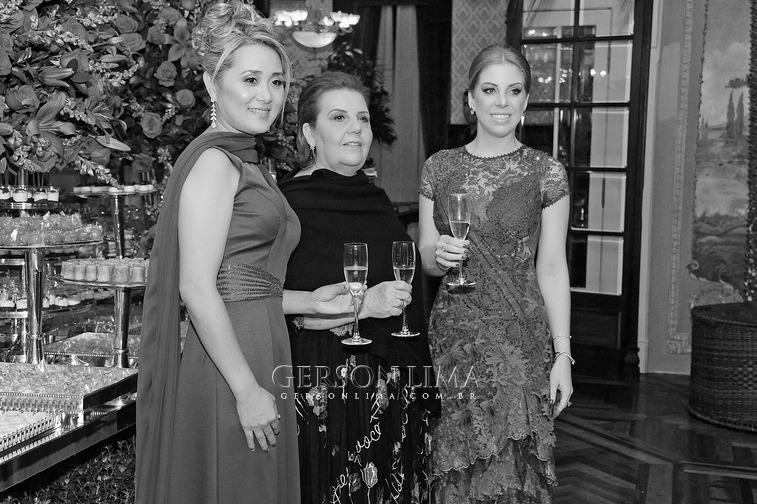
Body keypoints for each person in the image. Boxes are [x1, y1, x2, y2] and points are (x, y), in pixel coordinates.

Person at [135, 5, 357, 503]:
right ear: (212, 86)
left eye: (276, 82)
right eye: (251, 79)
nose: (267, 95)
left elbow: (244, 283)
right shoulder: (215, 162)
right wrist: (245, 388)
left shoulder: (247, 160)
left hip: (258, 346)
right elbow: (197, 287)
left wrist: (310, 302)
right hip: (231, 363)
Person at [418, 44, 574, 503]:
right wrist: (439, 254)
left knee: (513, 465)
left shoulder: (547, 173)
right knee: (455, 462)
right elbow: (426, 258)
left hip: (521, 339)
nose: (502, 102)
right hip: (455, 337)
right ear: (471, 99)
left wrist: (563, 355)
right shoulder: (438, 168)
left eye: (514, 91)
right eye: (490, 90)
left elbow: (552, 267)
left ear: (526, 101)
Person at [278, 71, 440, 504]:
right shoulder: (288, 205)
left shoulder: (373, 198)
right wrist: (364, 306)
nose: (356, 129)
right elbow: (273, 306)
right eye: (339, 117)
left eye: (362, 119)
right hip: (329, 383)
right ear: (309, 134)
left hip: (393, 380)